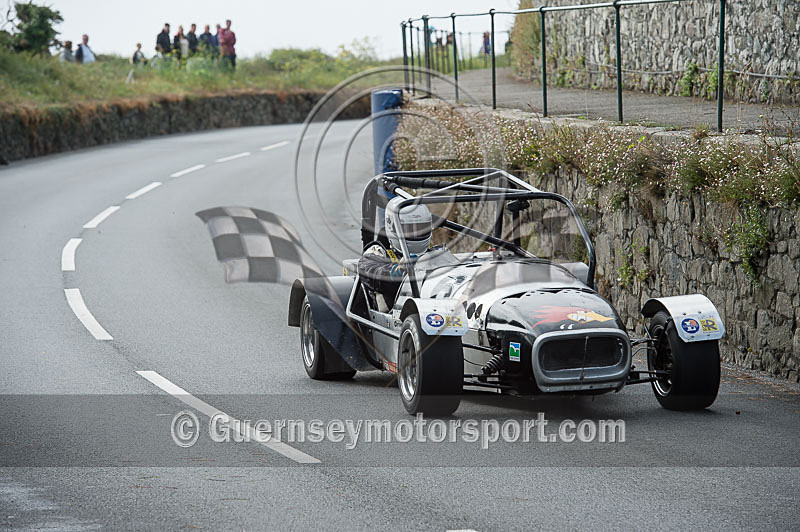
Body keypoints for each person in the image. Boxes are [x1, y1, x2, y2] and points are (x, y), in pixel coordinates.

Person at [358, 197, 433, 308]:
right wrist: (396, 272)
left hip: (431, 308)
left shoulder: (432, 254)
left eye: (421, 229)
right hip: (393, 315)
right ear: (392, 227)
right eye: (409, 229)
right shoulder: (378, 252)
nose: (416, 234)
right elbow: (367, 269)